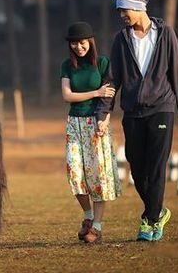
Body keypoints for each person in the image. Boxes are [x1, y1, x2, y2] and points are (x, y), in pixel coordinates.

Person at [96, 0, 178, 242]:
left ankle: (149, 222)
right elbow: (112, 78)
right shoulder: (121, 39)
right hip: (133, 112)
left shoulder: (165, 35)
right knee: (137, 167)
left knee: (156, 167)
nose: (121, 15)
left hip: (162, 108)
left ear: (138, 7)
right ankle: (159, 210)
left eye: (123, 9)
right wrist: (103, 112)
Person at [60, 21, 121, 244]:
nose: (79, 47)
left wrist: (104, 119)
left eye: (82, 42)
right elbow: (67, 96)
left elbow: (109, 95)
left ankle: (96, 226)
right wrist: (96, 91)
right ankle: (87, 215)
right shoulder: (67, 65)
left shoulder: (103, 63)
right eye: (74, 43)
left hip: (96, 123)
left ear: (90, 42)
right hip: (74, 123)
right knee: (75, 174)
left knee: (98, 175)